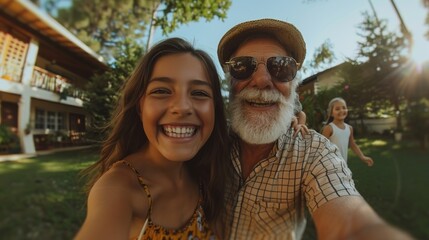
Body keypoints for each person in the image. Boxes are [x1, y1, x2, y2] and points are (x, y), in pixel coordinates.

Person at [218, 18, 412, 239]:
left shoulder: (314, 154)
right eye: (242, 67)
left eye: (281, 67)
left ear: (293, 85)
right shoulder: (209, 142)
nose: (262, 80)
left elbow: (348, 215)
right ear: (228, 82)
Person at [75, 37, 230, 239]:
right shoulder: (118, 189)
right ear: (140, 107)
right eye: (161, 91)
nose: (182, 107)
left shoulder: (206, 175)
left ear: (215, 109)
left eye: (199, 93)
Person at [322, 97, 374, 166]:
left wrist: (363, 157)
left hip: (343, 165)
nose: (341, 110)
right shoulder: (329, 128)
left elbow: (352, 145)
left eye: (344, 108)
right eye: (337, 109)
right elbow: (321, 147)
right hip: (331, 166)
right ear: (331, 113)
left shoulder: (349, 128)